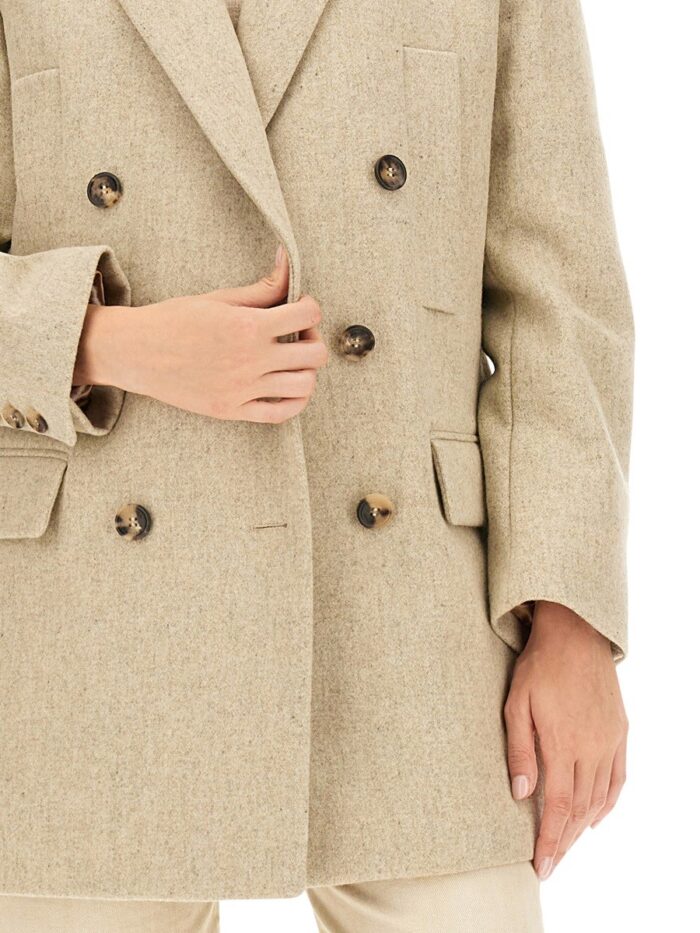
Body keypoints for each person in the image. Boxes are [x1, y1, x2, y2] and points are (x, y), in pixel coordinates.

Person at [0, 0, 633, 930]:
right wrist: (107, 342)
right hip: (80, 627)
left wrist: (572, 619)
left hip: (412, 621)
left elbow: (559, 298)